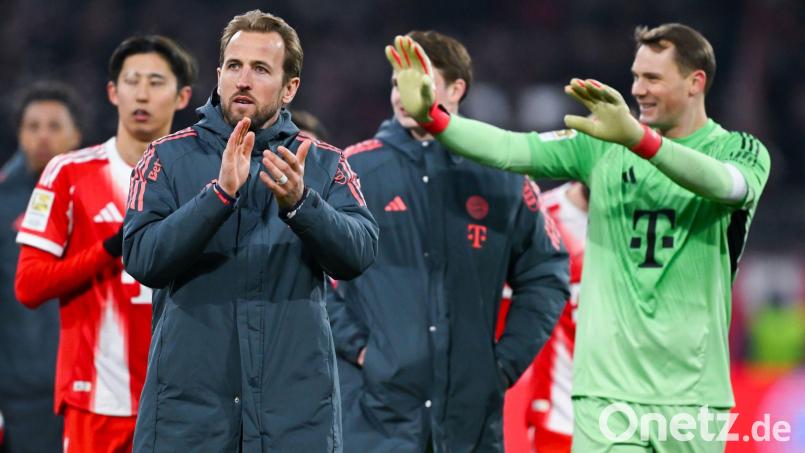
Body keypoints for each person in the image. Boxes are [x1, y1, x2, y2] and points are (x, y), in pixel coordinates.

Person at [389, 23, 770, 452]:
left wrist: (639, 141)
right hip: (608, 392)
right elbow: (513, 149)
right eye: (635, 76)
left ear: (695, 82)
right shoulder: (604, 144)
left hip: (693, 394)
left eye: (653, 78)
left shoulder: (740, 149)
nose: (637, 90)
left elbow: (728, 187)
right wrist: (436, 119)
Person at [122, 10, 378, 452]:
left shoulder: (322, 163)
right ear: (219, 74)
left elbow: (359, 253)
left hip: (294, 422)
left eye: (261, 69)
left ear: (289, 86)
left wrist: (301, 204)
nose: (243, 79)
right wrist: (218, 195)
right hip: (189, 421)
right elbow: (143, 258)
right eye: (234, 66)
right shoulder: (164, 158)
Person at [328, 30, 569, 452]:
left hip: (469, 424)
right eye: (395, 83)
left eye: (417, 81)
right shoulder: (353, 170)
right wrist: (362, 350)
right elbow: (310, 268)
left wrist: (503, 365)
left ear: (457, 89)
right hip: (374, 418)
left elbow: (546, 274)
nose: (403, 94)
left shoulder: (502, 173)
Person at [14, 36, 195, 452]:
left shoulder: (205, 180)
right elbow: (29, 286)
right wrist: (111, 249)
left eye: (155, 81)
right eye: (132, 81)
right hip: (96, 400)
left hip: (183, 399)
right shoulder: (68, 173)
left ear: (183, 95)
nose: (142, 93)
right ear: (113, 92)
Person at [0, 81, 83, 453]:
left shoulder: (98, 193)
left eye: (54, 126)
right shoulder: (2, 202)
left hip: (88, 382)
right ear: (19, 134)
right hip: (21, 389)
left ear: (76, 135)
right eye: (33, 127)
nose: (43, 137)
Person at [501, 182, 588, 453]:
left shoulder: (647, 220)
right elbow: (500, 323)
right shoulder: (539, 218)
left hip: (637, 417)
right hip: (562, 420)